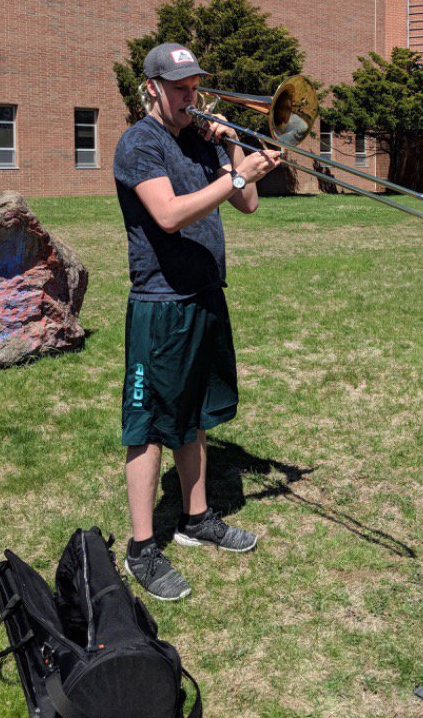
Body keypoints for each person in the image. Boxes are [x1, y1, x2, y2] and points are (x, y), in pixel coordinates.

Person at [113, 42, 281, 601]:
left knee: (193, 414)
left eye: (195, 85)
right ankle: (141, 548)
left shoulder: (201, 140)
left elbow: (249, 203)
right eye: (180, 87)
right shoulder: (140, 144)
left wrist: (234, 148)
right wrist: (234, 179)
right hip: (161, 303)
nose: (192, 96)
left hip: (206, 293)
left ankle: (197, 516)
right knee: (148, 425)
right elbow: (167, 214)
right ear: (154, 88)